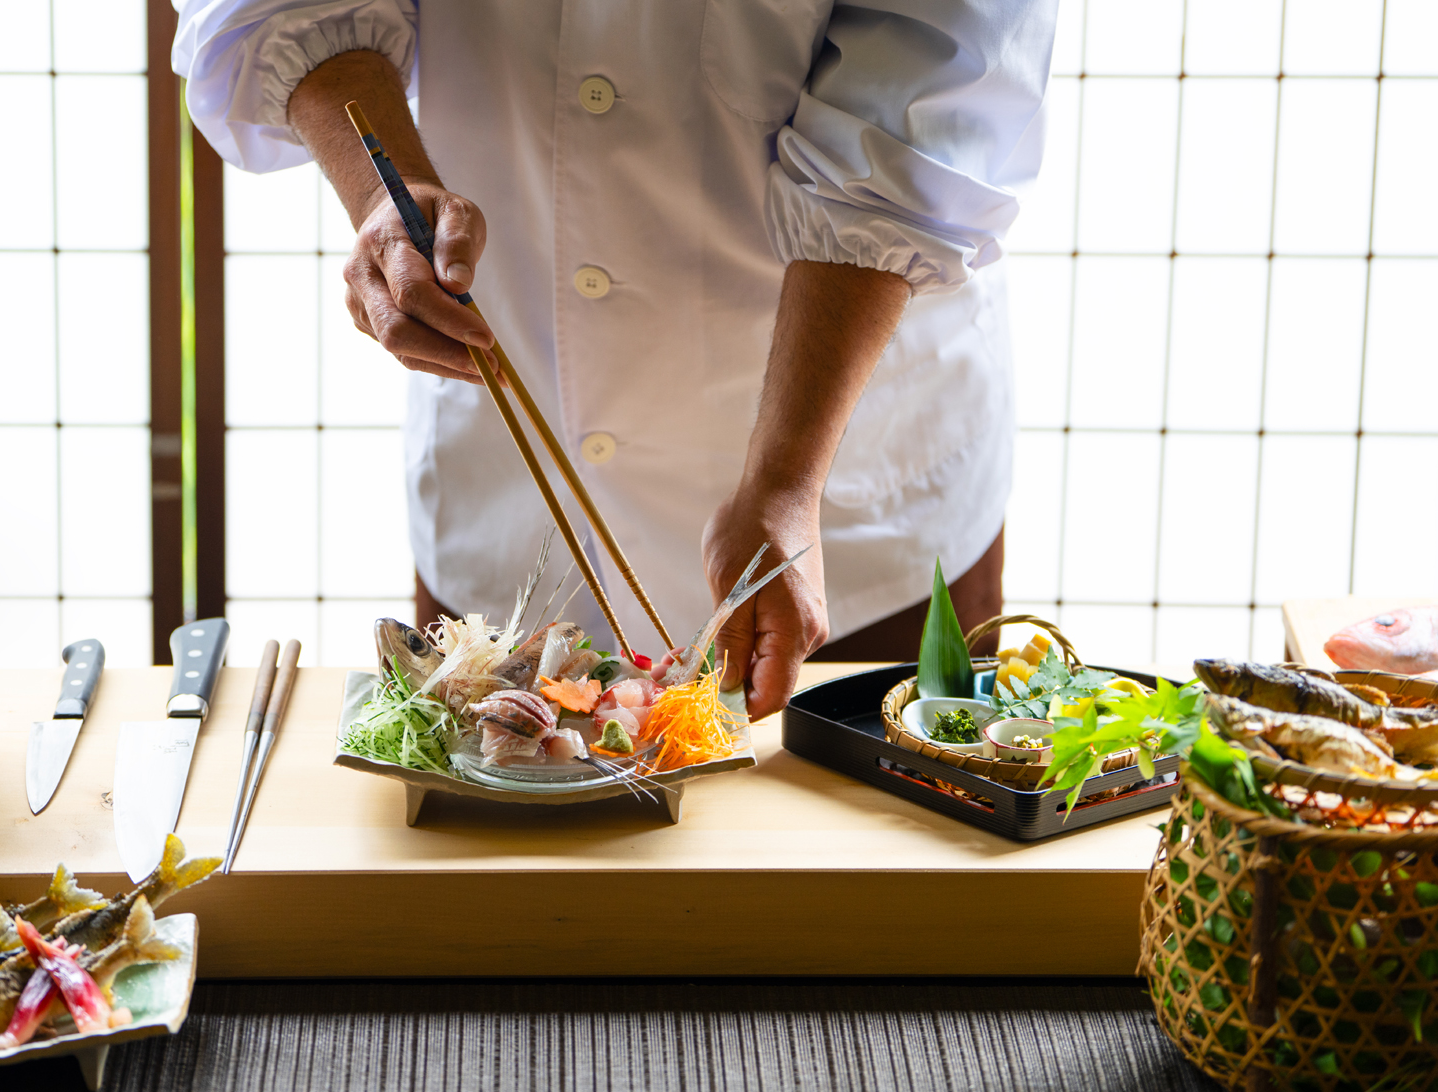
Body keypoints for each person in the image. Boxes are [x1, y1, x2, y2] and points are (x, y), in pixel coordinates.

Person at [173, 0, 1057, 719]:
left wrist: (788, 478)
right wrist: (384, 193)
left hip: (851, 475)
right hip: (508, 472)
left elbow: (933, 73)